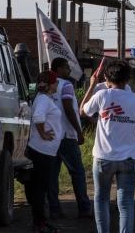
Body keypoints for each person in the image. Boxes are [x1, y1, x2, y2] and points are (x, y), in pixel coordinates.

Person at [80, 60, 135, 233]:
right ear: (128, 78)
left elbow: (82, 111)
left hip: (104, 159)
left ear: (106, 78)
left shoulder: (102, 95)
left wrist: (92, 84)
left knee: (101, 199)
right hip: (130, 159)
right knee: (126, 203)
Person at [47, 57, 92, 219]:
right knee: (77, 173)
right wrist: (79, 131)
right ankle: (84, 208)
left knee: (52, 175)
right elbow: (68, 107)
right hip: (66, 136)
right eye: (66, 67)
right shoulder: (66, 85)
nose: (69, 70)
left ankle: (54, 210)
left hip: (50, 137)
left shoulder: (46, 86)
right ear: (58, 69)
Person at [26, 71, 63, 233]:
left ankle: (40, 221)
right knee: (40, 188)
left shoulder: (45, 99)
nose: (58, 84)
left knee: (40, 187)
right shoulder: (43, 100)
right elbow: (38, 117)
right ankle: (39, 223)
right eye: (56, 82)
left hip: (44, 151)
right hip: (41, 151)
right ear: (50, 85)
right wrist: (43, 133)